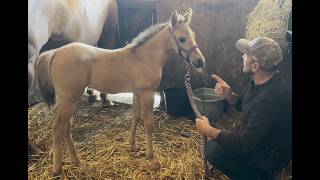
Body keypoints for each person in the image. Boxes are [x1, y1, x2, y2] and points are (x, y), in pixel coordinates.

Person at [196, 37, 292, 180]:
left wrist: (208, 131)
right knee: (219, 139)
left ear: (254, 66)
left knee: (213, 151)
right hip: (261, 141)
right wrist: (229, 95)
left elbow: (244, 144)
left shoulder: (270, 98)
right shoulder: (261, 80)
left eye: (246, 54)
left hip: (271, 155)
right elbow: (244, 105)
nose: (242, 56)